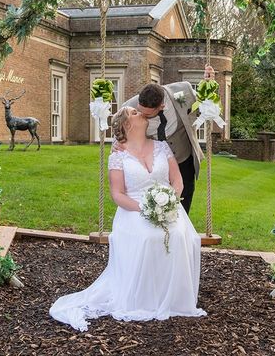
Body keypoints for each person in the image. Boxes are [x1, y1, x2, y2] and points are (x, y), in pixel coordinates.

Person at [49, 106, 206, 331]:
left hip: (168, 205)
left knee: (181, 234)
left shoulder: (162, 147)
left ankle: (175, 298)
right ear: (126, 125)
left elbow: (177, 181)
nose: (139, 114)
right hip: (134, 209)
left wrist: (171, 201)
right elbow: (118, 195)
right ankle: (145, 297)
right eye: (133, 113)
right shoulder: (118, 155)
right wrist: (145, 209)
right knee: (147, 236)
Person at [122, 65, 215, 214]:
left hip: (184, 160)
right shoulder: (129, 108)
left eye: (147, 115)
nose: (141, 115)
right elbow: (119, 132)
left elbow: (206, 106)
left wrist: (208, 84)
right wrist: (118, 144)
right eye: (140, 112)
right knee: (153, 207)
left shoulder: (184, 91)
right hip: (154, 167)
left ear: (161, 106)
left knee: (181, 209)